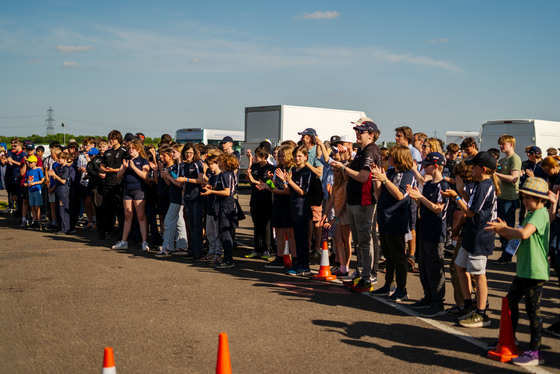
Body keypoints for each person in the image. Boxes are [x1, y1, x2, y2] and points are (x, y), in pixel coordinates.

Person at [486, 177, 551, 366]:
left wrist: (505, 228)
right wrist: (502, 230)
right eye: (523, 198)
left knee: (533, 311)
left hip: (535, 270)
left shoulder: (540, 213)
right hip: (525, 268)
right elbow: (518, 234)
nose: (524, 201)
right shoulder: (531, 213)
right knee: (511, 301)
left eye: (528, 198)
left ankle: (535, 351)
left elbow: (523, 234)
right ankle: (510, 339)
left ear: (540, 199)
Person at [442, 151, 499, 328]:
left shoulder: (485, 185)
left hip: (481, 236)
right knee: (460, 265)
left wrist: (456, 197)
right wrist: (460, 191)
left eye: (474, 166)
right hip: (473, 233)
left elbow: (470, 212)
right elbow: (472, 204)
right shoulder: (481, 184)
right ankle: (468, 304)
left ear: (482, 169)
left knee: (479, 274)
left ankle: (481, 313)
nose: (471, 168)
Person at [331, 120, 382, 292]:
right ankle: (361, 273)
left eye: (362, 131)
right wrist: (345, 166)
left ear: (371, 134)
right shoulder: (361, 150)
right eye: (357, 131)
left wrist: (343, 168)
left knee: (365, 241)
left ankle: (367, 277)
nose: (358, 134)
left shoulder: (370, 150)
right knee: (359, 243)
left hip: (364, 202)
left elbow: (362, 177)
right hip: (355, 201)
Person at [406, 152, 449, 317]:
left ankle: (438, 303)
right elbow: (425, 204)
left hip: (435, 231)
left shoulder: (443, 186)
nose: (424, 167)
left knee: (434, 267)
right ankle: (428, 297)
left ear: (436, 166)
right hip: (424, 229)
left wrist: (420, 198)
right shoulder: (430, 184)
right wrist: (417, 198)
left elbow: (438, 209)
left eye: (427, 165)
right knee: (423, 266)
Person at [371, 145, 415, 301]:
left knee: (398, 257)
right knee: (388, 256)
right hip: (384, 217)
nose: (387, 158)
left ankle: (401, 288)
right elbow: (378, 194)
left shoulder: (408, 174)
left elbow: (400, 195)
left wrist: (385, 180)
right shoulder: (389, 172)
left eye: (390, 155)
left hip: (397, 219)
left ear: (398, 158)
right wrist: (377, 178)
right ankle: (388, 285)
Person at [275, 145, 313, 276]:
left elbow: (302, 191)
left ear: (305, 157)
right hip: (293, 208)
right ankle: (298, 264)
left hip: (302, 208)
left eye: (300, 156)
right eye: (295, 156)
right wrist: (284, 181)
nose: (297, 158)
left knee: (302, 239)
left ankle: (305, 266)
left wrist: (289, 181)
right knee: (297, 239)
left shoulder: (306, 172)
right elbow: (288, 190)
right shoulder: (294, 171)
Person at [201, 154, 244, 269]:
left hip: (227, 205)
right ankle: (226, 258)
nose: (219, 162)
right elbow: (222, 189)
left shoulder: (226, 174)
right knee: (223, 232)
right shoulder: (225, 174)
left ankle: (228, 259)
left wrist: (212, 192)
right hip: (224, 204)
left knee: (225, 234)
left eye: (220, 160)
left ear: (225, 162)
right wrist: (212, 188)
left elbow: (226, 192)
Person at [259, 145, 298, 269]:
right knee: (280, 232)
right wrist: (267, 184)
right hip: (278, 202)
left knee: (290, 233)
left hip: (288, 203)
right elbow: (274, 185)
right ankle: (279, 258)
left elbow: (288, 191)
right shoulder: (278, 169)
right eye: (278, 156)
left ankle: (295, 259)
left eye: (282, 156)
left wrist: (281, 183)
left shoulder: (292, 169)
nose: (279, 158)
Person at [111, 139, 151, 251]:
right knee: (127, 216)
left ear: (138, 149)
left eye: (133, 148)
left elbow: (145, 175)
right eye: (129, 148)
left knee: (141, 217)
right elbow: (118, 175)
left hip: (139, 190)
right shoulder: (126, 160)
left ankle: (144, 242)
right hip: (127, 191)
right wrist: (124, 168)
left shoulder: (143, 160)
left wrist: (133, 167)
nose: (130, 150)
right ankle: (124, 242)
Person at [494, 134, 522, 265]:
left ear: (511, 144)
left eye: (503, 144)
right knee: (502, 227)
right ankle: (505, 253)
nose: (500, 146)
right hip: (501, 197)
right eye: (500, 144)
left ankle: (508, 255)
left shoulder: (514, 158)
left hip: (509, 198)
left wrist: (496, 174)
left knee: (508, 227)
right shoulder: (504, 159)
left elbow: (514, 178)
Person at [156, 144, 188, 257]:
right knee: (179, 222)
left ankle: (168, 247)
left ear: (180, 153)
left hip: (178, 198)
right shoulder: (176, 167)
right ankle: (182, 246)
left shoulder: (182, 166)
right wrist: (166, 176)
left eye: (174, 152)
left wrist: (168, 176)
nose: (172, 154)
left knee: (168, 223)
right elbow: (171, 183)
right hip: (174, 197)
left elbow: (179, 184)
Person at [245, 146, 275, 259]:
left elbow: (269, 184)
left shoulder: (271, 168)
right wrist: (250, 178)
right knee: (256, 225)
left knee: (266, 226)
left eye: (256, 156)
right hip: (255, 200)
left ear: (263, 157)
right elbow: (251, 182)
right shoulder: (254, 166)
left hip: (267, 201)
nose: (254, 158)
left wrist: (254, 180)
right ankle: (256, 249)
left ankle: (267, 249)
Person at [176, 143, 205, 260]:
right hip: (187, 197)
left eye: (191, 153)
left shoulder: (198, 164)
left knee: (197, 225)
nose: (188, 155)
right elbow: (181, 182)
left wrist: (186, 179)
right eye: (187, 152)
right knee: (191, 225)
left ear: (195, 153)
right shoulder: (183, 165)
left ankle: (198, 251)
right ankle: (193, 249)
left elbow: (201, 180)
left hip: (197, 197)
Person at [101, 130, 126, 240]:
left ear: (118, 139)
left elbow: (124, 167)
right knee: (107, 210)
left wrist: (113, 170)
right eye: (110, 138)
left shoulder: (124, 152)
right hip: (107, 183)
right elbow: (102, 165)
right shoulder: (107, 152)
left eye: (113, 139)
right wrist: (104, 169)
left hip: (118, 184)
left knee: (120, 210)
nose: (111, 140)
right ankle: (107, 231)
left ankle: (121, 232)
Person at [200, 154, 224, 264]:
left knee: (217, 232)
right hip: (210, 206)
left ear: (217, 163)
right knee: (209, 232)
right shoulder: (212, 175)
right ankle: (211, 251)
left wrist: (212, 189)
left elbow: (224, 191)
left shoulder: (222, 175)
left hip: (217, 207)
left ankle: (218, 253)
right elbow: (211, 186)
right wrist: (207, 185)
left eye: (212, 164)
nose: (210, 166)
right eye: (209, 164)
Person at [49, 152, 73, 235]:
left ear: (65, 159)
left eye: (60, 158)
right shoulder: (59, 168)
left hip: (63, 192)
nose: (58, 160)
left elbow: (63, 180)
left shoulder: (66, 168)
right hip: (58, 191)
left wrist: (54, 175)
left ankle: (65, 228)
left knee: (63, 211)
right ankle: (59, 227)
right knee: (58, 211)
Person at [24, 155, 44, 228]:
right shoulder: (28, 171)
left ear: (35, 162)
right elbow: (26, 179)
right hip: (30, 190)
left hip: (36, 189)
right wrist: (26, 183)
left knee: (37, 206)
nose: (29, 164)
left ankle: (39, 221)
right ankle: (35, 220)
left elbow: (42, 180)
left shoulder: (38, 170)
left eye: (31, 162)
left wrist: (34, 183)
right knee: (32, 206)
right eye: (29, 162)